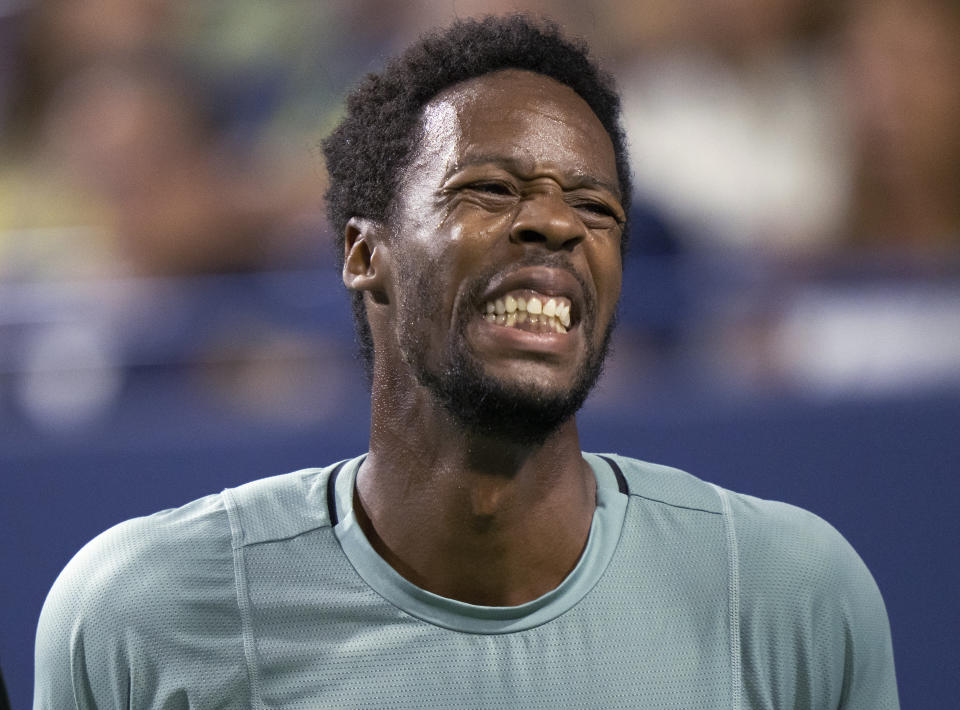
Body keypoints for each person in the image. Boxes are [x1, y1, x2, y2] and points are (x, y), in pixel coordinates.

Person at [34, 15, 898, 709]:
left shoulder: (793, 595)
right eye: (490, 187)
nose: (558, 224)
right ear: (364, 253)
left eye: (596, 206)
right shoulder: (138, 616)